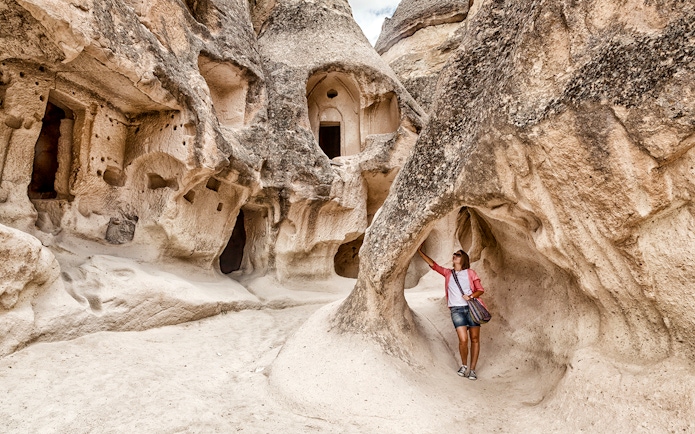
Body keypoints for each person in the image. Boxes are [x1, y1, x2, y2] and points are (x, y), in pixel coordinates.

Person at [417, 245, 485, 380]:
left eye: (458, 254)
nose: (454, 255)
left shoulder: (471, 273)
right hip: (457, 310)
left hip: (471, 309)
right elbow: (434, 265)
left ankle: (472, 370)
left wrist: (471, 296)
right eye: (454, 254)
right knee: (463, 339)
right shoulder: (448, 273)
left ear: (463, 259)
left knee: (475, 339)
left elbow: (480, 289)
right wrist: (420, 252)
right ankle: (464, 365)